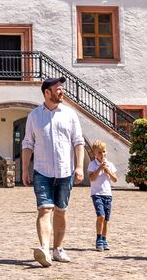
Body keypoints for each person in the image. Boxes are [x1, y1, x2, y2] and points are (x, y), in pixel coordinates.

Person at [21, 76, 86, 267]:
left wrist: (80, 166)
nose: (62, 91)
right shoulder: (34, 116)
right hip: (42, 171)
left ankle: (58, 249)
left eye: (62, 88)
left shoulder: (70, 114)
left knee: (61, 211)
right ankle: (44, 249)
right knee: (44, 209)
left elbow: (78, 141)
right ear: (47, 92)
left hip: (65, 171)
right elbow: (27, 143)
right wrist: (25, 169)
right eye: (58, 89)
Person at [87, 139, 118, 251]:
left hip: (107, 194)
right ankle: (98, 238)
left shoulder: (110, 164)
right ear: (95, 154)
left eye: (104, 151)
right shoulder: (92, 165)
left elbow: (115, 179)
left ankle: (104, 239)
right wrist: (100, 168)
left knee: (106, 220)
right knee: (101, 216)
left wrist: (108, 171)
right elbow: (91, 178)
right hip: (97, 194)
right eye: (99, 152)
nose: (102, 154)